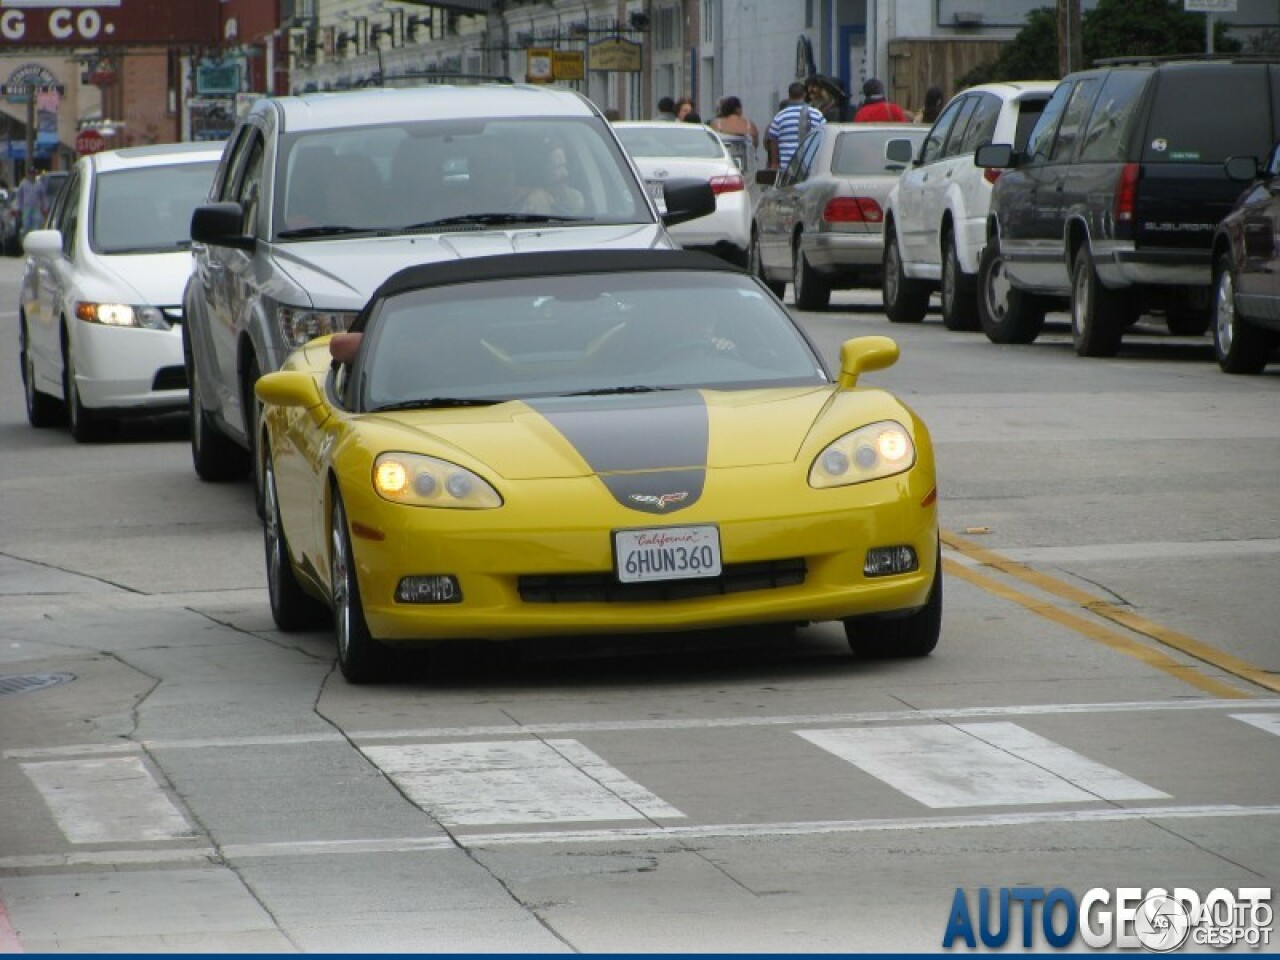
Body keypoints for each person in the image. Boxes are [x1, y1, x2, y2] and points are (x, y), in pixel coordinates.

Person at [765, 82, 825, 169]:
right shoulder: (817, 114)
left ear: (789, 96)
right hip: (811, 168)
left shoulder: (779, 116)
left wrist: (774, 163)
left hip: (787, 169)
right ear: (804, 94)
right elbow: (824, 137)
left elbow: (773, 142)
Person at [519, 142, 585, 217]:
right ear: (543, 172)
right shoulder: (531, 202)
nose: (565, 173)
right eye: (557, 167)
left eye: (565, 166)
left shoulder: (575, 198)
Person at [16, 167, 47, 237]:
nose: (32, 175)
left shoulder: (39, 184)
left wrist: (44, 208)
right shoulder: (23, 184)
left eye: (33, 173)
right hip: (26, 208)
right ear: (27, 174)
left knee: (36, 225)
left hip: (36, 208)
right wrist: (18, 208)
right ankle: (26, 239)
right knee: (26, 226)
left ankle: (35, 239)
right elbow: (19, 197)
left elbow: (43, 197)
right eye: (31, 173)